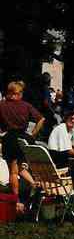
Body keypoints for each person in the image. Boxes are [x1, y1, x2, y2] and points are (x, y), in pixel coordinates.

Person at [0, 81, 45, 212]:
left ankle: (16, 201)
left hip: (10, 138)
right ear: (17, 93)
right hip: (24, 139)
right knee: (20, 167)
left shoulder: (2, 105)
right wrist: (32, 135)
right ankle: (33, 184)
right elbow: (41, 119)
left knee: (13, 171)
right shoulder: (26, 105)